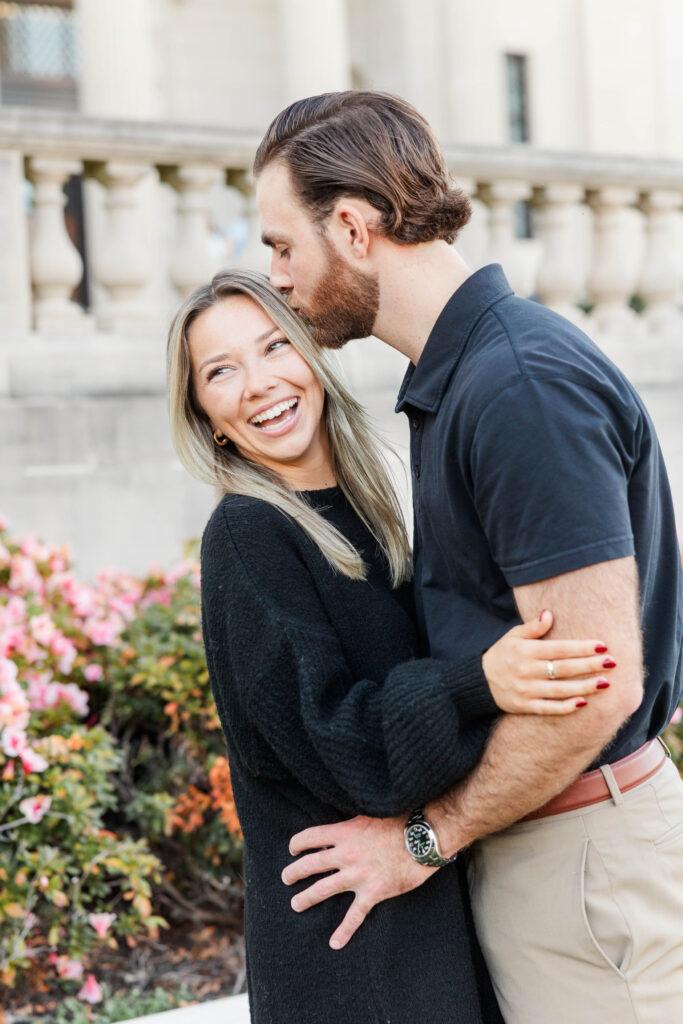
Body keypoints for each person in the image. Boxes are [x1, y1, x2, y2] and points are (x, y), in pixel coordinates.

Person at [252, 91, 683, 1023]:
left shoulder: (516, 386)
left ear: (355, 228)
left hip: (582, 870)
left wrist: (422, 839)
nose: (276, 277)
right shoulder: (465, 375)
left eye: (282, 246)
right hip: (549, 853)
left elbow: (596, 683)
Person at [166, 269, 613, 1024]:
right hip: (349, 948)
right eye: (221, 370)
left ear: (310, 355)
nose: (258, 383)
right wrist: (480, 683)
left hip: (409, 913)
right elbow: (345, 747)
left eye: (275, 346)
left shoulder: (360, 514)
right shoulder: (248, 536)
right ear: (207, 416)